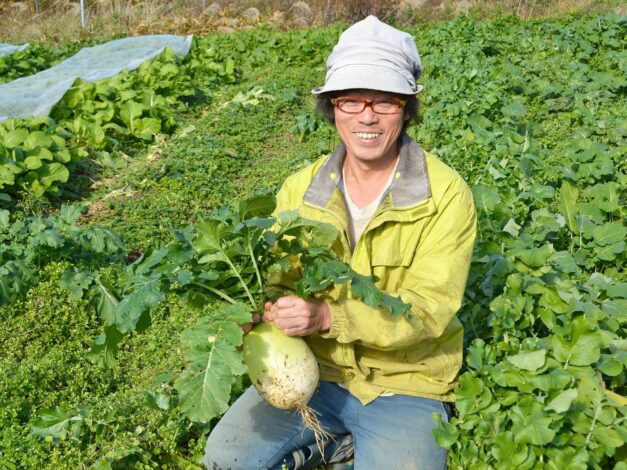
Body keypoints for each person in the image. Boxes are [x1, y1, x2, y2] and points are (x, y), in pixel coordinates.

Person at [203, 15, 476, 470]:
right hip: (313, 369)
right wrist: (257, 312)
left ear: (407, 109)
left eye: (385, 101)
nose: (366, 116)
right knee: (224, 460)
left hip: (404, 381)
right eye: (351, 101)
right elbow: (275, 282)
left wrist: (328, 315)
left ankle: (334, 446)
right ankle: (332, 446)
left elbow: (429, 309)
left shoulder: (445, 195)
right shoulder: (300, 189)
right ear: (332, 108)